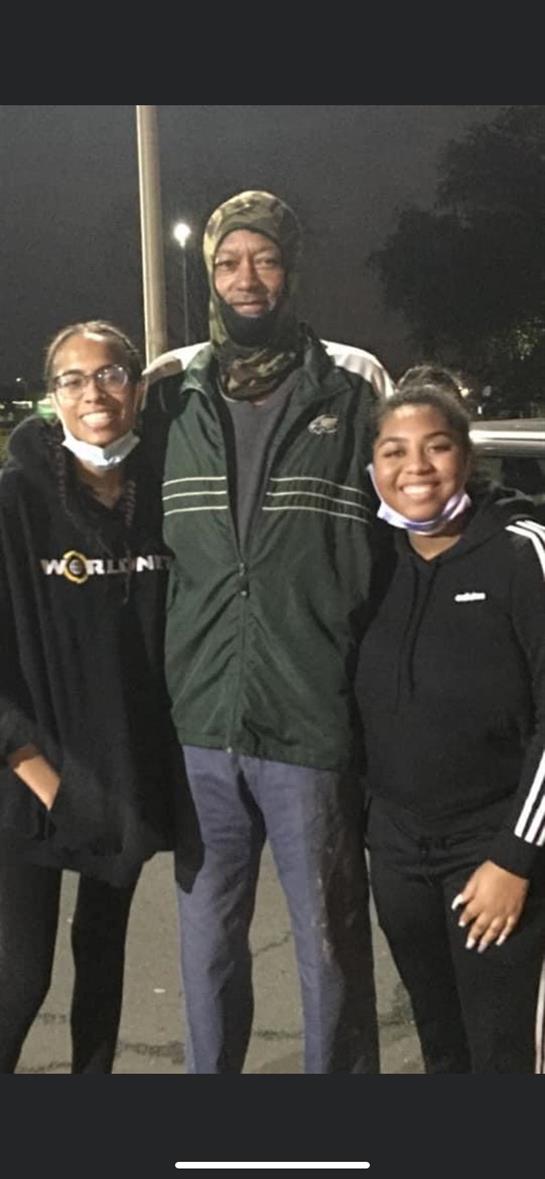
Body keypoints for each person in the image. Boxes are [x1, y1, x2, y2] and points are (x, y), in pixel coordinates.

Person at [145, 189, 395, 1074]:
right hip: (201, 719)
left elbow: (409, 502)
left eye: (265, 259)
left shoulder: (353, 380)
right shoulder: (170, 389)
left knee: (328, 943)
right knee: (208, 943)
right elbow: (88, 473)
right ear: (208, 273)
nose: (247, 279)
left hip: (309, 714)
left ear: (291, 267)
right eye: (227, 263)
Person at [0, 320, 180, 1073]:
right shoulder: (15, 503)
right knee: (21, 977)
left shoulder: (166, 492)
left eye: (109, 374)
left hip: (121, 775)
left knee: (102, 963)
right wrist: (41, 774)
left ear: (136, 389)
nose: (94, 392)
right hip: (30, 778)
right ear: (52, 400)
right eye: (73, 379)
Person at [357, 381, 545, 1073]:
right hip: (399, 853)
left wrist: (514, 858)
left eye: (436, 447)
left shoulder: (522, 552)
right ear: (372, 466)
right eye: (393, 450)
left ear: (465, 460)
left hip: (492, 849)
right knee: (440, 1044)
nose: (415, 467)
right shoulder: (367, 559)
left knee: (499, 1052)